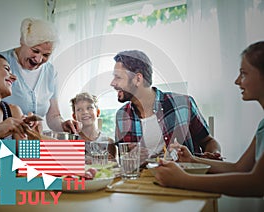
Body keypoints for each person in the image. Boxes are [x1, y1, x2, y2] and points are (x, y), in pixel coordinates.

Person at [154, 41, 264, 197]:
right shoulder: (262, 125)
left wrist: (183, 180)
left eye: (244, 73)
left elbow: (257, 184)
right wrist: (192, 161)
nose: (237, 81)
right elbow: (240, 168)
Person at [110, 50, 221, 163]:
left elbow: (208, 141)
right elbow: (124, 160)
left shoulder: (183, 104)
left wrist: (213, 155)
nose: (112, 83)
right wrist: (131, 158)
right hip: (142, 180)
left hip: (183, 178)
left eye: (118, 77)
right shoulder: (122, 116)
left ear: (138, 79)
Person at [0, 18, 81, 134]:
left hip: (31, 143)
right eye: (35, 51)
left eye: (46, 55)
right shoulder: (0, 63)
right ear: (23, 42)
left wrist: (63, 125)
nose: (38, 59)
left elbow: (53, 116)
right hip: (2, 139)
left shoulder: (50, 72)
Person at [70, 92, 117, 163]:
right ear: (74, 116)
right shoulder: (73, 141)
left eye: (89, 108)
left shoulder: (109, 142)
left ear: (98, 112)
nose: (85, 112)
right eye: (79, 109)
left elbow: (113, 168)